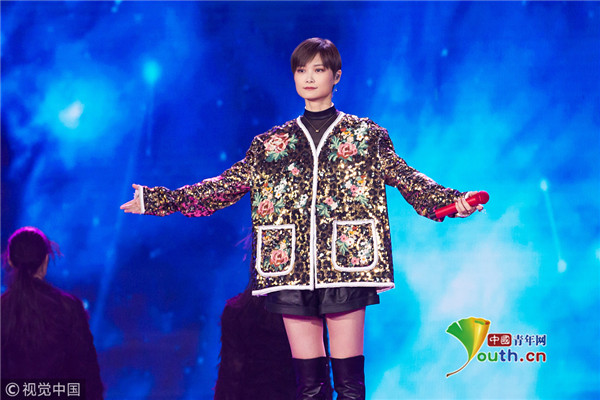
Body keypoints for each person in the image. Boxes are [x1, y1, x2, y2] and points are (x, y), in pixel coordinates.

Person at [121, 37, 483, 400]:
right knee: (310, 388)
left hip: (347, 262)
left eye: (318, 69)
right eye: (301, 70)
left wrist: (452, 202)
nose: (308, 77)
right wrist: (158, 200)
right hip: (289, 266)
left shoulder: (366, 136)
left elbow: (407, 178)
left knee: (350, 387)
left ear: (336, 76)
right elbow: (223, 187)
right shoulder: (269, 144)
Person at [1, 227, 104, 400]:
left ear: (10, 261)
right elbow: (87, 374)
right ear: (46, 260)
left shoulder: (3, 309)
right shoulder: (69, 308)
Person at [214, 287, 332, 399]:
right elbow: (320, 374)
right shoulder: (307, 310)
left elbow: (231, 374)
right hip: (296, 393)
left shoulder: (236, 310)